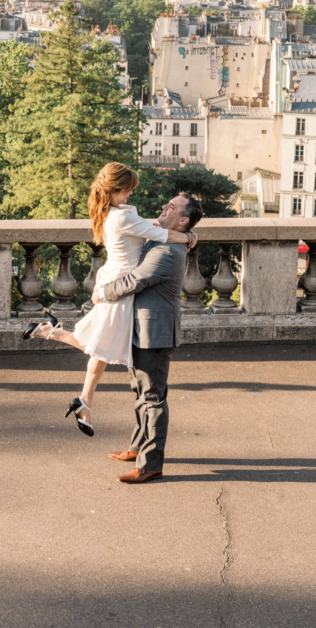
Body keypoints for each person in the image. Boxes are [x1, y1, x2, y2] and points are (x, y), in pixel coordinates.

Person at [27, 162, 195, 436]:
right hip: (120, 285)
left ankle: (61, 354)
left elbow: (149, 228)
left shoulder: (113, 212)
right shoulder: (121, 217)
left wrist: (185, 234)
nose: (130, 195)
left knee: (103, 345)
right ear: (115, 189)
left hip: (115, 280)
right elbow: (163, 234)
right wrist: (189, 236)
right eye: (127, 190)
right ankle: (81, 393)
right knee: (104, 346)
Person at [96, 191, 202, 484]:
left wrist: (102, 293)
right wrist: (190, 236)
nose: (165, 205)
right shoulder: (161, 237)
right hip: (142, 329)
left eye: (173, 206)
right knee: (141, 393)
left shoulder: (167, 252)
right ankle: (136, 447)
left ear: (183, 219)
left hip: (154, 333)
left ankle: (151, 464)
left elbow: (136, 279)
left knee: (153, 399)